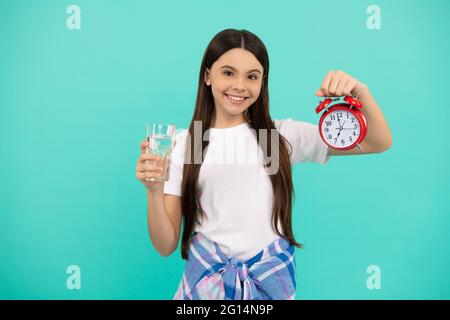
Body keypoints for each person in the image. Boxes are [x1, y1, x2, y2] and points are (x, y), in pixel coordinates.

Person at [135, 29, 392, 300]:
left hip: (269, 286)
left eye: (252, 76)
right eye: (228, 72)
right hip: (204, 290)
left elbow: (378, 141)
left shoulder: (277, 138)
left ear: (263, 82)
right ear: (207, 75)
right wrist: (153, 191)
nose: (240, 86)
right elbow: (165, 245)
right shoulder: (187, 143)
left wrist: (360, 91)